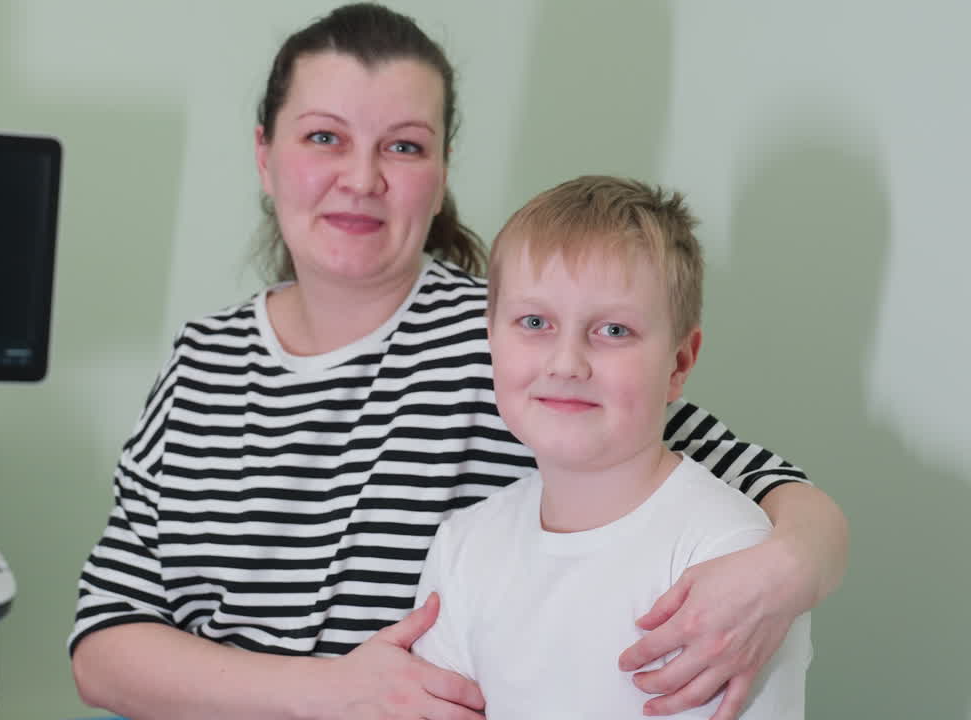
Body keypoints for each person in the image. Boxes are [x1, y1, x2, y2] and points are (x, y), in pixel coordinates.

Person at [69, 4, 848, 719]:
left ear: (440, 177)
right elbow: (104, 645)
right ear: (264, 154)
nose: (362, 179)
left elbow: (760, 491)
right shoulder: (202, 360)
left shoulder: (517, 341)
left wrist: (784, 573)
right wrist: (325, 691)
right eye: (324, 137)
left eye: (403, 146)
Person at [411, 176, 813, 718]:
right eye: (535, 322)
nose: (566, 363)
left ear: (679, 363)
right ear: (491, 336)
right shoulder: (463, 548)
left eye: (614, 331)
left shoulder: (726, 554)